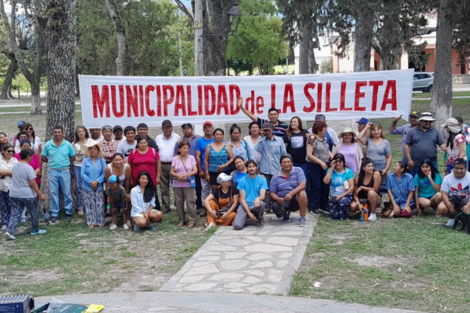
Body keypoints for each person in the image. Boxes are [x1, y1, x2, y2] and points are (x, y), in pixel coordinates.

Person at [4, 148, 46, 240]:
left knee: (15, 213)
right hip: (27, 194)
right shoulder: (29, 168)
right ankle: (35, 229)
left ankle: (9, 231)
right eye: (31, 156)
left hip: (14, 193)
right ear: (28, 156)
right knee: (34, 212)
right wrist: (40, 194)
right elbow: (33, 183)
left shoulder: (15, 166)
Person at [41, 126, 76, 224]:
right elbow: (43, 157)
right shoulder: (48, 145)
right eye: (55, 132)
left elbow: (73, 157)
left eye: (59, 132)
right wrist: (52, 162)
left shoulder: (67, 144)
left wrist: (65, 163)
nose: (57, 134)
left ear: (63, 133)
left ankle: (69, 211)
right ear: (53, 133)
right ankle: (54, 213)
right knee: (53, 192)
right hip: (53, 171)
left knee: (67, 191)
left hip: (65, 170)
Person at [254, 122, 286, 212]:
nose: (267, 132)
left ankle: (277, 206)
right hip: (265, 170)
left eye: (268, 130)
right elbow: (257, 149)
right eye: (265, 131)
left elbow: (283, 153)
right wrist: (261, 137)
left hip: (276, 169)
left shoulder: (279, 140)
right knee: (266, 189)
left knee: (277, 188)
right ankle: (267, 208)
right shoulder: (262, 140)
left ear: (272, 129)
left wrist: (283, 167)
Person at [270, 155, 308, 226]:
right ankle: (285, 212)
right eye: (284, 162)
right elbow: (272, 193)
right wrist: (278, 199)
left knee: (302, 193)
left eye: (288, 162)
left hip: (295, 199)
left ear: (292, 163)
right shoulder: (275, 176)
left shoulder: (298, 170)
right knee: (275, 206)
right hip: (282, 200)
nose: (287, 164)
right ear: (280, 164)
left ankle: (302, 217)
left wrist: (291, 194)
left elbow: (303, 185)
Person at [405, 112, 447, 176]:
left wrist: (450, 151)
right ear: (420, 121)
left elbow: (442, 144)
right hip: (416, 163)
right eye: (426, 121)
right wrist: (409, 160)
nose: (428, 123)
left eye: (430, 121)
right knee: (416, 182)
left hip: (432, 163)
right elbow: (407, 145)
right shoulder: (412, 131)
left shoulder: (435, 131)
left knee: (433, 181)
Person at [175, 123, 203, 215]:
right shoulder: (179, 141)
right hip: (183, 170)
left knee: (198, 188)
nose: (186, 130)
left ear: (192, 129)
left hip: (195, 168)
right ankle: (183, 208)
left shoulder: (198, 139)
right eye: (184, 129)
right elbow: (176, 155)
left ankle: (199, 206)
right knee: (184, 189)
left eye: (188, 128)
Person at [233, 160, 268, 230]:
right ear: (246, 168)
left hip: (255, 205)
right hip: (245, 205)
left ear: (256, 168)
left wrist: (257, 199)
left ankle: (259, 218)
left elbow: (262, 196)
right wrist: (248, 213)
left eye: (253, 166)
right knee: (237, 226)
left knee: (261, 204)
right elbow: (242, 199)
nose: (252, 168)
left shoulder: (262, 179)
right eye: (249, 167)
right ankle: (248, 217)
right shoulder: (242, 180)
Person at [357, 122, 392, 192]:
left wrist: (386, 168)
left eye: (378, 129)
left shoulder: (385, 142)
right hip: (370, 168)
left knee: (381, 188)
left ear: (381, 130)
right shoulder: (368, 140)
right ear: (371, 132)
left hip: (381, 169)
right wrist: (366, 127)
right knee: (371, 186)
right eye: (374, 130)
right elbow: (359, 137)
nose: (376, 132)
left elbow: (389, 157)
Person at [307, 120, 332, 214]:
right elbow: (309, 154)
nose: (325, 129)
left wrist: (334, 158)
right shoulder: (312, 139)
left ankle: (324, 205)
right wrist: (321, 163)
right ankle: (315, 206)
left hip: (325, 165)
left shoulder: (324, 139)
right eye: (323, 128)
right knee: (316, 186)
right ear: (318, 129)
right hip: (314, 165)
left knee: (325, 185)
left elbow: (326, 150)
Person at [170, 141, 198, 228]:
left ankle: (192, 220)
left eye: (187, 148)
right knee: (179, 202)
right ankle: (181, 219)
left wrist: (186, 175)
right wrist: (178, 176)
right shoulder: (175, 158)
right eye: (183, 148)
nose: (186, 150)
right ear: (179, 149)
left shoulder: (191, 158)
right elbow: (171, 171)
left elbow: (195, 170)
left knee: (190, 201)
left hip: (188, 182)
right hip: (177, 182)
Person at [436, 158, 470, 227]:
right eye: (456, 168)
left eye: (461, 169)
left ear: (465, 168)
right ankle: (452, 218)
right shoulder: (447, 178)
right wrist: (449, 206)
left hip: (467, 202)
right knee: (441, 208)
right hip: (454, 202)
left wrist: (468, 206)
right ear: (453, 168)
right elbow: (444, 194)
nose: (458, 170)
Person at [156, 119, 180, 213]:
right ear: (162, 129)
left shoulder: (177, 137)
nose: (167, 129)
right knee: (164, 187)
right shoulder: (158, 138)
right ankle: (166, 206)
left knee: (176, 186)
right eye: (165, 127)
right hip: (161, 165)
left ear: (172, 127)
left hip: (174, 165)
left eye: (169, 127)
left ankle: (177, 204)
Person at [80, 141, 107, 228]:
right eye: (91, 149)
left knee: (99, 204)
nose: (93, 151)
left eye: (95, 149)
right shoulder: (85, 160)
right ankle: (90, 221)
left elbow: (104, 173)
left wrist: (97, 181)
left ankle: (100, 221)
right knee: (89, 204)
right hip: (87, 186)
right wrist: (91, 182)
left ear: (98, 151)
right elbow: (82, 173)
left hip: (98, 186)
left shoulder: (102, 161)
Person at [323, 153, 355, 220]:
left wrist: (341, 196)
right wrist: (331, 169)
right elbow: (325, 181)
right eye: (336, 162)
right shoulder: (330, 171)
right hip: (333, 196)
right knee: (334, 216)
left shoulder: (349, 171)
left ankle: (345, 214)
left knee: (342, 206)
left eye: (340, 162)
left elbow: (352, 187)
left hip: (345, 196)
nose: (338, 164)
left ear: (343, 162)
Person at [105, 153, 132, 228]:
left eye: (120, 160)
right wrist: (108, 195)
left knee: (128, 200)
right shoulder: (108, 168)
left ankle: (127, 219)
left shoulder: (127, 167)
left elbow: (127, 181)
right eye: (116, 160)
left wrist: (127, 193)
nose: (118, 162)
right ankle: (113, 220)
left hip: (123, 187)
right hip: (112, 187)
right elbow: (107, 182)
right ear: (112, 160)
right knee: (110, 202)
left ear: (123, 160)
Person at [72, 125, 92, 216]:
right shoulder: (74, 144)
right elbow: (71, 157)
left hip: (89, 166)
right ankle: (80, 207)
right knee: (79, 187)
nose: (81, 133)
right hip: (77, 166)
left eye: (82, 131)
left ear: (85, 132)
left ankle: (90, 205)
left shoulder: (91, 142)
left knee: (89, 185)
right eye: (79, 131)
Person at [196, 121, 215, 216]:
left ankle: (215, 206)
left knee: (215, 189)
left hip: (215, 170)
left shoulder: (217, 139)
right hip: (204, 169)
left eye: (209, 127)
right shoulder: (199, 141)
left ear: (212, 128)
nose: (208, 129)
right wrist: (200, 170)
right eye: (206, 127)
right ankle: (205, 208)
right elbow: (198, 156)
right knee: (205, 190)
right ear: (203, 129)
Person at [284, 116, 309, 187]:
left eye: (295, 121)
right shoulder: (288, 133)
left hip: (303, 162)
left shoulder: (305, 132)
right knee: (292, 181)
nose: (293, 123)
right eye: (291, 122)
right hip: (292, 162)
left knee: (304, 181)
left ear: (299, 123)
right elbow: (284, 148)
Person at [0, 144, 18, 231]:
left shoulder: (15, 160)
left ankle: (11, 223)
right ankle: (4, 222)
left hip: (12, 187)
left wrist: (3, 173)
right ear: (3, 151)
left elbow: (16, 172)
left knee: (12, 206)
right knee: (3, 206)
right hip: (2, 186)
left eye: (12, 151)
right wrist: (9, 172)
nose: (11, 153)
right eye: (9, 151)